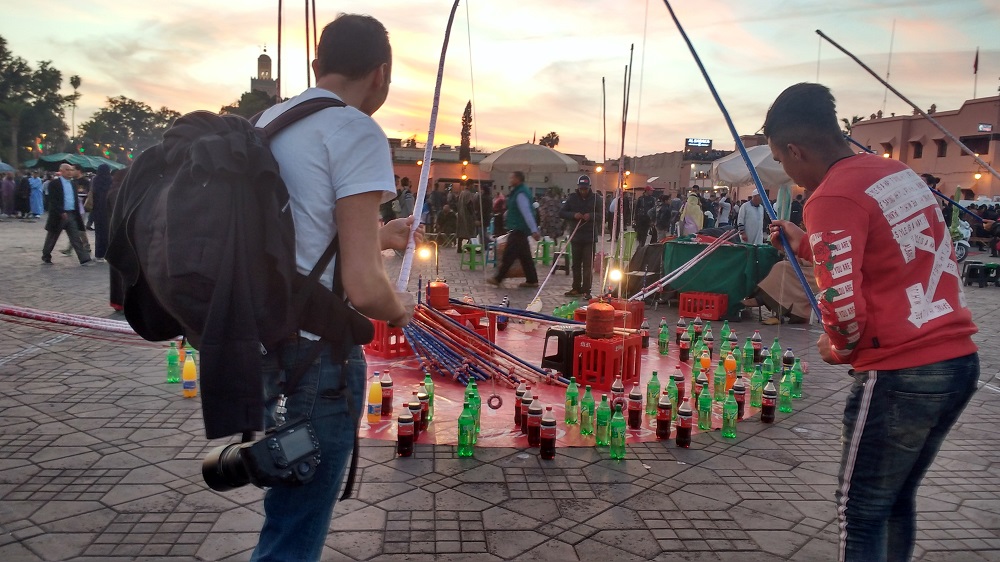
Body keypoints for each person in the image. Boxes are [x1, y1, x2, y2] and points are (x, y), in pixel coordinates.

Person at [764, 82, 979, 562]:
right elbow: (893, 254)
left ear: (795, 149)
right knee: (894, 501)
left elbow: (841, 306)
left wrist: (839, 349)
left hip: (900, 374)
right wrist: (805, 243)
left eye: (782, 161)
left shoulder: (830, 195)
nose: (791, 175)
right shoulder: (896, 174)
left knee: (859, 510)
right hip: (958, 361)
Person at [252, 14, 418, 561]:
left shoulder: (270, 120)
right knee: (295, 534)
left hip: (261, 338)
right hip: (316, 355)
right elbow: (365, 289)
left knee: (285, 509)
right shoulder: (355, 129)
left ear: (317, 65)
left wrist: (380, 237)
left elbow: (299, 231)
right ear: (380, 74)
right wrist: (402, 312)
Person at [487, 171, 539, 288]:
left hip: (518, 228)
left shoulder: (520, 193)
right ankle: (532, 279)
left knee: (509, 254)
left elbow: (527, 213)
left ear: (518, 179)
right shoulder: (518, 192)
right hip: (518, 227)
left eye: (512, 177)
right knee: (525, 256)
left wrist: (534, 230)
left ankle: (498, 277)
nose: (510, 180)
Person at [559, 175, 603, 297]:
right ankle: (576, 287)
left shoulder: (596, 199)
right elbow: (562, 212)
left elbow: (602, 215)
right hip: (576, 235)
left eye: (585, 189)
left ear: (589, 187)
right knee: (576, 264)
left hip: (589, 237)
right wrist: (573, 215)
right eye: (581, 189)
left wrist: (591, 216)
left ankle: (586, 290)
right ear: (578, 187)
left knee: (588, 265)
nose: (583, 191)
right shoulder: (572, 198)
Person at [42, 164, 93, 266]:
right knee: (52, 237)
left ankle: (84, 258)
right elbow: (53, 200)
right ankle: (46, 255)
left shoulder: (73, 184)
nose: (70, 172)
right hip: (59, 215)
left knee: (75, 237)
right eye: (67, 170)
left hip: (72, 214)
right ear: (61, 171)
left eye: (71, 170)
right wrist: (61, 211)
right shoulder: (54, 184)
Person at [741, 257, 818, 324]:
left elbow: (813, 260)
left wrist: (799, 259)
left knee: (782, 267)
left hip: (816, 273)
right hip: (807, 268)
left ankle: (761, 299)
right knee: (781, 267)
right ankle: (763, 300)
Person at [90, 164, 113, 261]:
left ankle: (99, 255)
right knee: (110, 233)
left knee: (99, 233)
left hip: (98, 209)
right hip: (110, 210)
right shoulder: (112, 180)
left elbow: (93, 193)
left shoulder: (95, 180)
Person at [455, 182, 479, 251]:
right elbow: (469, 204)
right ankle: (470, 247)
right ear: (469, 185)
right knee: (470, 231)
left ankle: (459, 247)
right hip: (467, 216)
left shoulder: (462, 193)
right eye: (473, 185)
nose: (473, 187)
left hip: (461, 214)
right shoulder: (468, 194)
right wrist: (473, 215)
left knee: (461, 232)